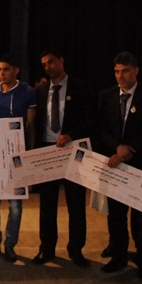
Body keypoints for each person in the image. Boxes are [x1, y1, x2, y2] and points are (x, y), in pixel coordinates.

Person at [96, 52, 142, 280]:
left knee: (141, 217)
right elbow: (101, 128)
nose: (120, 76)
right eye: (116, 72)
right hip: (116, 164)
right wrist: (117, 148)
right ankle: (119, 256)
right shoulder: (106, 96)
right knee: (116, 214)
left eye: (125, 71)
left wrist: (131, 148)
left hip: (141, 164)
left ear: (136, 71)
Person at [32, 48, 94, 268]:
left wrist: (71, 135)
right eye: (44, 64)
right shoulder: (40, 90)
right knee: (47, 204)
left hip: (71, 150)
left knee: (75, 204)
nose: (48, 67)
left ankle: (76, 250)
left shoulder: (81, 88)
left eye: (51, 62)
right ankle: (47, 248)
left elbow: (91, 120)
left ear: (61, 61)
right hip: (47, 151)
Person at [0, 54, 36, 262]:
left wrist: (29, 155)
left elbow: (30, 125)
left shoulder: (27, 92)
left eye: (6, 69)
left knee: (15, 205)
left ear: (16, 70)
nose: (1, 73)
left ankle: (10, 245)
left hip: (17, 156)